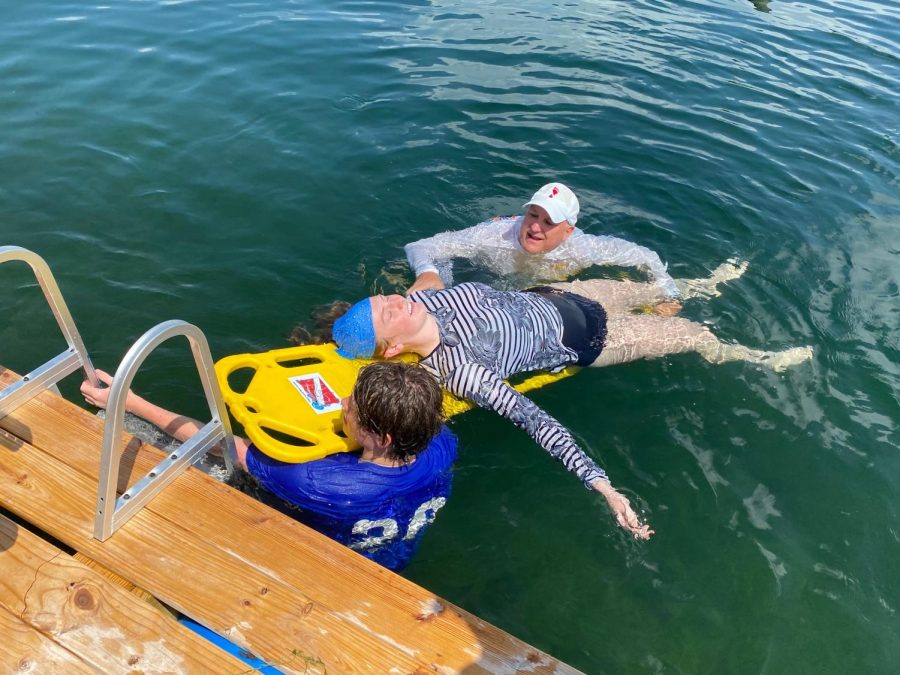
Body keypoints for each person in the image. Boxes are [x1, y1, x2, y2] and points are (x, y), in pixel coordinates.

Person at [331, 281, 813, 540]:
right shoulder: (462, 371)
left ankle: (709, 282)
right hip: (595, 339)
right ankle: (758, 358)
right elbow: (537, 422)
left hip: (562, 294)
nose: (397, 300)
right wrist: (603, 486)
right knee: (697, 336)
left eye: (387, 296)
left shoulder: (425, 298)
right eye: (387, 311)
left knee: (659, 292)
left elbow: (428, 278)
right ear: (391, 349)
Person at [81, 361, 457, 571]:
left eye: (352, 407)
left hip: (317, 563)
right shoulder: (443, 444)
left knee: (216, 471)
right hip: (391, 562)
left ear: (383, 437)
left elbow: (221, 443)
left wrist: (127, 401)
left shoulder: (313, 481)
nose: (343, 402)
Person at [405, 182, 685, 297]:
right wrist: (428, 274)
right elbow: (420, 246)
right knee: (438, 271)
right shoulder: (494, 236)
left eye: (548, 222)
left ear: (568, 231)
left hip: (535, 292)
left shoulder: (583, 248)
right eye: (533, 215)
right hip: (483, 275)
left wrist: (668, 293)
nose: (535, 227)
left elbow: (646, 255)